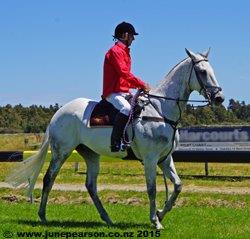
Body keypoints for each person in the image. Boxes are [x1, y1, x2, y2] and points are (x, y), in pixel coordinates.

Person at [102, 21, 150, 152]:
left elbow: (125, 78)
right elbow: (124, 73)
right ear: (125, 35)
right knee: (127, 108)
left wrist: (139, 88)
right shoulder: (115, 51)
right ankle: (115, 142)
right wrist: (142, 84)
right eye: (132, 36)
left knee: (144, 103)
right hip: (113, 93)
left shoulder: (125, 52)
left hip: (124, 92)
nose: (134, 39)